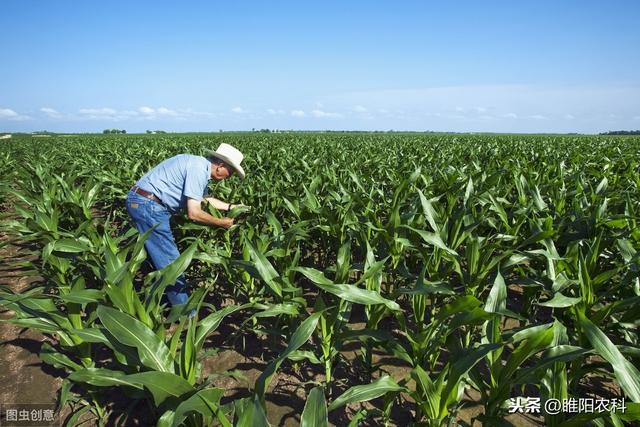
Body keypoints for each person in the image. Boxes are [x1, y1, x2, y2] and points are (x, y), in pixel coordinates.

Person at [126, 143, 246, 307]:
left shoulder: (197, 164)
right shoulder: (198, 169)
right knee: (173, 264)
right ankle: (185, 315)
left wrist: (231, 207)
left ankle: (155, 299)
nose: (229, 177)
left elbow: (204, 199)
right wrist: (220, 222)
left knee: (156, 255)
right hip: (149, 206)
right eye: (230, 172)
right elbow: (194, 213)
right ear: (221, 166)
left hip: (142, 201)